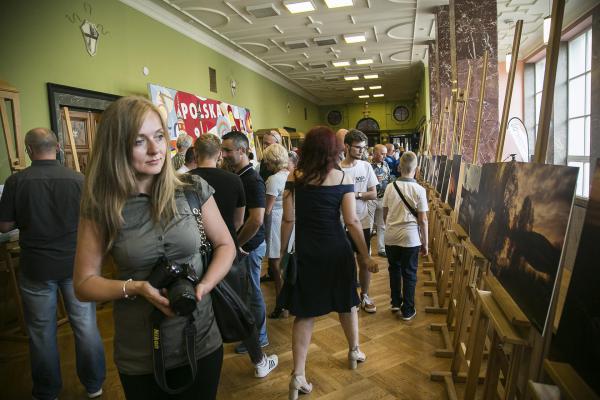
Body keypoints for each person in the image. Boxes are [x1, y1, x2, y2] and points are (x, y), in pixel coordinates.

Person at [73, 96, 236, 399]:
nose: (155, 149)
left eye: (159, 136)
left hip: (201, 339)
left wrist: (204, 285)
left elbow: (226, 244)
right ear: (117, 147)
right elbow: (83, 284)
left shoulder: (193, 189)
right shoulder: (102, 206)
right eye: (139, 141)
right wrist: (136, 288)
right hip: (141, 353)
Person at [0, 128, 106, 400]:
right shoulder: (79, 180)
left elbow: (4, 226)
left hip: (36, 267)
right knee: (85, 326)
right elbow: (96, 220)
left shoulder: (16, 182)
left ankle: (47, 392)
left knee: (40, 332)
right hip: (76, 265)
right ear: (58, 147)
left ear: (28, 150)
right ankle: (94, 385)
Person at [279, 126, 378, 399]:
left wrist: (279, 255)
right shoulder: (342, 176)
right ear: (334, 150)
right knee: (347, 302)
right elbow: (352, 221)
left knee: (305, 312)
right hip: (337, 251)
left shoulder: (294, 176)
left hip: (307, 252)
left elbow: (288, 220)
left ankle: (298, 375)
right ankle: (354, 350)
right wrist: (365, 255)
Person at [189, 133, 278, 378]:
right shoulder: (233, 180)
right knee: (239, 307)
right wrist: (232, 245)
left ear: (195, 154)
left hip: (194, 252)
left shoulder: (184, 181)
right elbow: (239, 221)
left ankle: (194, 362)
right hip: (225, 253)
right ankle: (259, 361)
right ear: (218, 154)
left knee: (193, 308)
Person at [221, 131, 270, 354]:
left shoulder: (252, 179)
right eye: (223, 150)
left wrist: (236, 243)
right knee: (248, 293)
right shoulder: (239, 176)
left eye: (228, 150)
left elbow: (257, 219)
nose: (224, 155)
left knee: (253, 293)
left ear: (242, 150)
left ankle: (259, 338)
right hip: (242, 246)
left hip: (249, 247)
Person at [383, 151, 429, 320]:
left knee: (394, 269)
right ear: (416, 168)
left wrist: (390, 225)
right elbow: (423, 220)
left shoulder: (390, 187)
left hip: (391, 236)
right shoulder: (420, 190)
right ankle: (408, 310)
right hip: (411, 238)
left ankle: (395, 302)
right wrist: (425, 243)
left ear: (399, 167)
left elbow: (385, 213)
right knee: (409, 273)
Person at [340, 129, 379, 313]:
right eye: (357, 148)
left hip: (362, 221)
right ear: (346, 146)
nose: (361, 151)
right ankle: (348, 295)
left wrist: (355, 194)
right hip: (340, 223)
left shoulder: (366, 166)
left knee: (363, 260)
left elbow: (373, 193)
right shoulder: (337, 168)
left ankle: (365, 295)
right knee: (345, 262)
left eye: (363, 148)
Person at [261, 144, 290, 318]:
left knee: (276, 265)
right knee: (287, 264)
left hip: (276, 222)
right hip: (290, 220)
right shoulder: (291, 175)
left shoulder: (273, 179)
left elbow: (268, 209)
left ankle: (282, 303)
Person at [370, 144, 391, 257]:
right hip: (370, 199)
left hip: (382, 198)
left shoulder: (386, 164)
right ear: (374, 153)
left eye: (385, 153)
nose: (385, 156)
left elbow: (387, 179)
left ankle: (381, 249)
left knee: (382, 225)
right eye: (382, 153)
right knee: (368, 225)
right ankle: (366, 250)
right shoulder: (367, 166)